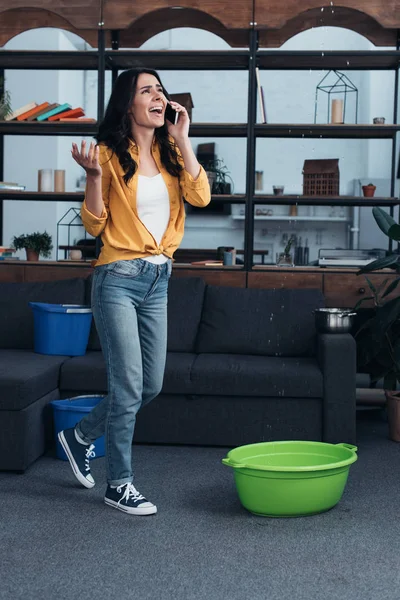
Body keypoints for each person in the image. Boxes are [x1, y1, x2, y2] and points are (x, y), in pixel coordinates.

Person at [58, 68, 211, 516]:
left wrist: (183, 138)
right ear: (129, 104)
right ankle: (119, 483)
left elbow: (201, 197)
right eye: (147, 90)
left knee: (152, 385)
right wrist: (90, 176)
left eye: (160, 90)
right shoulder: (106, 155)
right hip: (118, 279)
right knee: (127, 385)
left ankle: (80, 435)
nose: (157, 96)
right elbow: (94, 225)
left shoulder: (170, 155)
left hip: (159, 280)